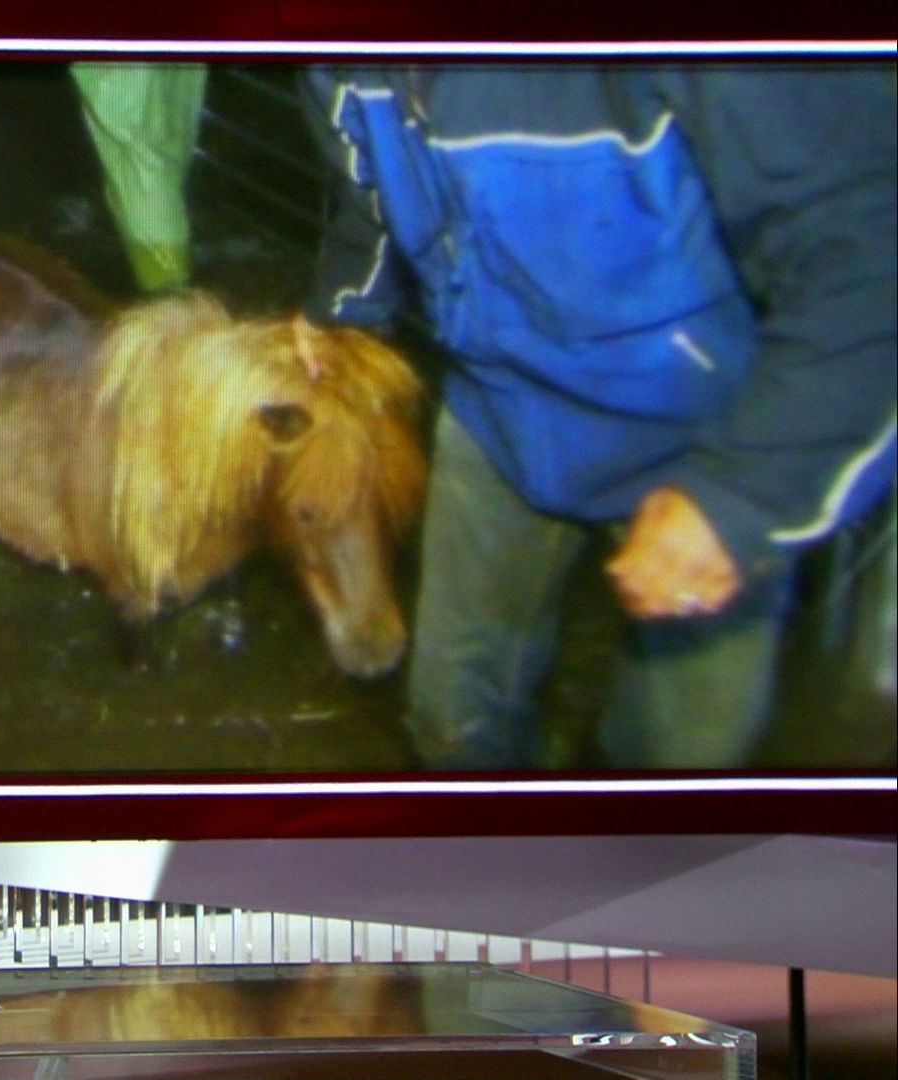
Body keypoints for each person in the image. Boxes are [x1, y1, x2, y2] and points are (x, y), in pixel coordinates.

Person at [299, 65, 896, 768]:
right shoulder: (341, 58)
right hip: (500, 411)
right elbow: (370, 180)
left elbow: (868, 257)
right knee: (453, 716)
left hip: (697, 430)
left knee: (681, 755)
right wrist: (341, 305)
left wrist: (743, 496)